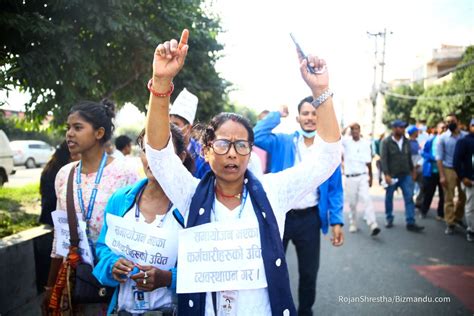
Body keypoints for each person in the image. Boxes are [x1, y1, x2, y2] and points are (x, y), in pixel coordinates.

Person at [145, 29, 341, 316]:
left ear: (251, 151)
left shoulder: (275, 191)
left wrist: (321, 91)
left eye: (241, 145)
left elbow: (328, 156)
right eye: (223, 144)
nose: (233, 153)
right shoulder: (190, 195)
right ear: (207, 149)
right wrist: (161, 81)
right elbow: (159, 155)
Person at [43, 99, 139, 315]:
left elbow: (134, 231)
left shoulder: (124, 172)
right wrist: (50, 287)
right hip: (75, 277)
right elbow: (60, 237)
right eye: (68, 128)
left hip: (114, 278)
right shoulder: (64, 174)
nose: (69, 134)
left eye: (78, 128)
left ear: (99, 133)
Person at [253, 98, 343, 315]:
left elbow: (335, 189)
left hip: (310, 219)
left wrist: (337, 220)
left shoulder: (327, 152)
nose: (310, 118)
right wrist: (276, 114)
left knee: (309, 273)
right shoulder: (283, 142)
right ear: (298, 118)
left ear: (319, 118)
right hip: (279, 217)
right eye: (305, 113)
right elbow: (256, 136)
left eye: (314, 113)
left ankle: (305, 311)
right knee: (271, 270)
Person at [93, 126, 193, 315]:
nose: (154, 159)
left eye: (162, 152)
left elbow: (203, 271)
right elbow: (102, 248)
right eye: (147, 150)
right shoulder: (121, 200)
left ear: (180, 158)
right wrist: (113, 265)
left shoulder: (191, 207)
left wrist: (168, 278)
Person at [380, 119, 424, 232]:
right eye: (400, 127)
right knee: (389, 197)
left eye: (404, 127)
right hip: (392, 175)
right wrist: (386, 174)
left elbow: (409, 157)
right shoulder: (386, 142)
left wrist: (413, 171)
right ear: (394, 128)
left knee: (409, 197)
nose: (402, 129)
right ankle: (389, 218)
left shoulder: (406, 142)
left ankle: (410, 222)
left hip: (405, 174)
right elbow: (384, 159)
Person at [342, 123, 380, 235]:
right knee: (352, 203)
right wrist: (347, 126)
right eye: (352, 129)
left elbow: (368, 162)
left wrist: (371, 178)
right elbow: (338, 136)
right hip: (350, 177)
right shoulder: (346, 142)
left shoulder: (365, 143)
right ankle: (353, 222)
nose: (355, 131)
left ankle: (373, 224)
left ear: (360, 130)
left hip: (362, 176)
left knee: (367, 199)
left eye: (356, 129)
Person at [436, 113, 468, 235]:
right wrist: (442, 175)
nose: (450, 123)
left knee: (463, 197)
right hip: (448, 169)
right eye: (447, 122)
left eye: (452, 121)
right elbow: (439, 158)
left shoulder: (465, 137)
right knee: (448, 197)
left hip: (463, 169)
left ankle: (458, 218)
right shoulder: (442, 138)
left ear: (457, 121)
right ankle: (450, 223)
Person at [169, 87, 210, 178]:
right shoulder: (165, 149)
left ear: (188, 128)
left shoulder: (202, 156)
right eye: (169, 124)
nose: (171, 128)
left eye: (175, 124)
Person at [453, 118, 474, 242]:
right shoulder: (464, 142)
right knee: (471, 206)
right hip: (469, 180)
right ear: (470, 126)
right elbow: (456, 162)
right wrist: (462, 177)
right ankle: (471, 230)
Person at [420, 122, 445, 220]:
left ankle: (440, 213)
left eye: (445, 128)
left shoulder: (447, 140)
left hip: (443, 171)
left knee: (443, 194)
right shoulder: (431, 140)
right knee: (429, 193)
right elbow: (423, 152)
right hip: (432, 171)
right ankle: (424, 211)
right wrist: (432, 157)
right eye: (442, 127)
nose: (444, 129)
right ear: (438, 129)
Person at [407, 125, 424, 209]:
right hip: (412, 167)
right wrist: (413, 167)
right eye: (417, 131)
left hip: (419, 166)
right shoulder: (407, 143)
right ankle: (410, 204)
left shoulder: (417, 142)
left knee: (423, 186)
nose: (418, 133)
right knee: (410, 187)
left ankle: (418, 201)